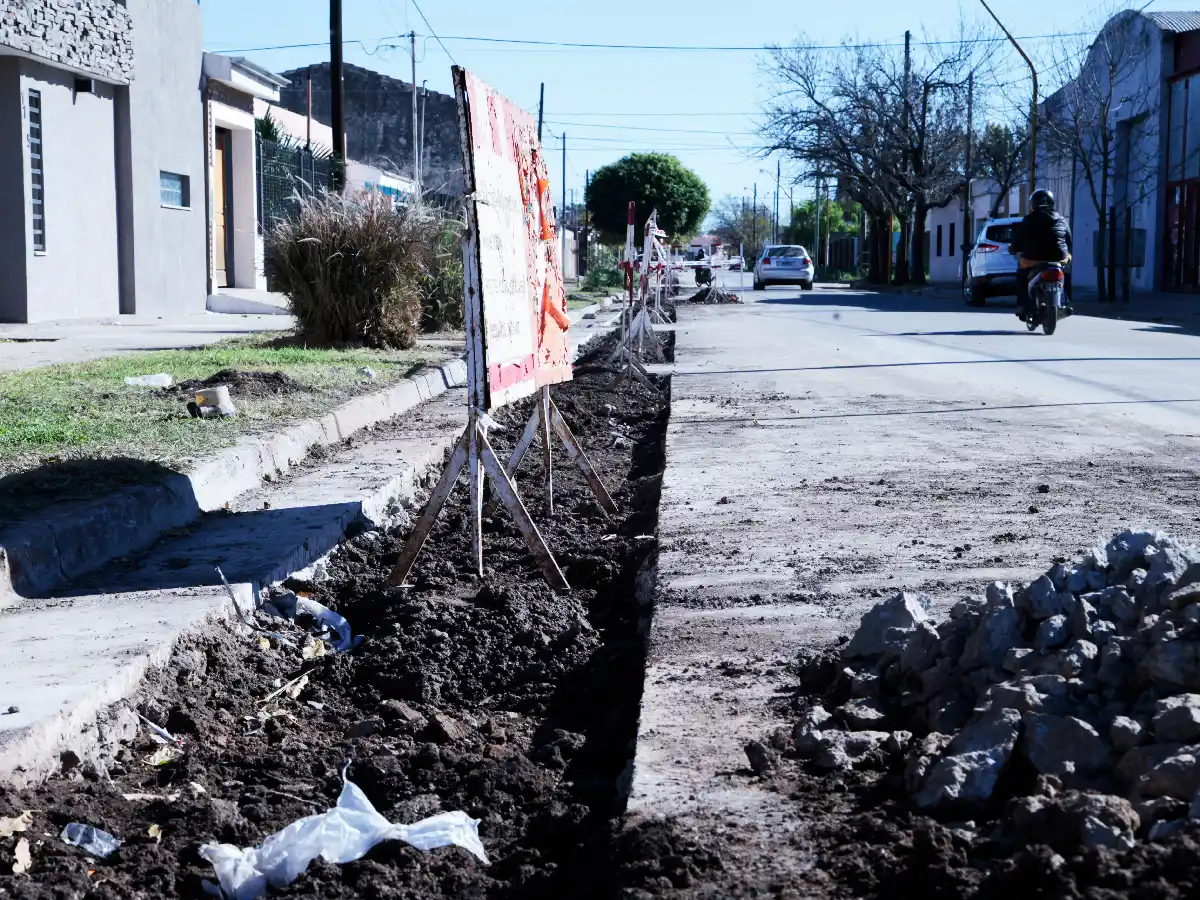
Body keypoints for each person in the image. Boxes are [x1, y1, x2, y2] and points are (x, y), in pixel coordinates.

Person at [1008, 189, 1072, 319]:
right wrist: (1067, 253)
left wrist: (1013, 249)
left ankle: (1022, 305)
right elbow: (1069, 240)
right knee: (1065, 272)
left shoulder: (1029, 220)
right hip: (1058, 258)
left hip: (1034, 259)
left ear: (1033, 204)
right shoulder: (1061, 219)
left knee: (1021, 274)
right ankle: (1065, 300)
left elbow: (1018, 241)